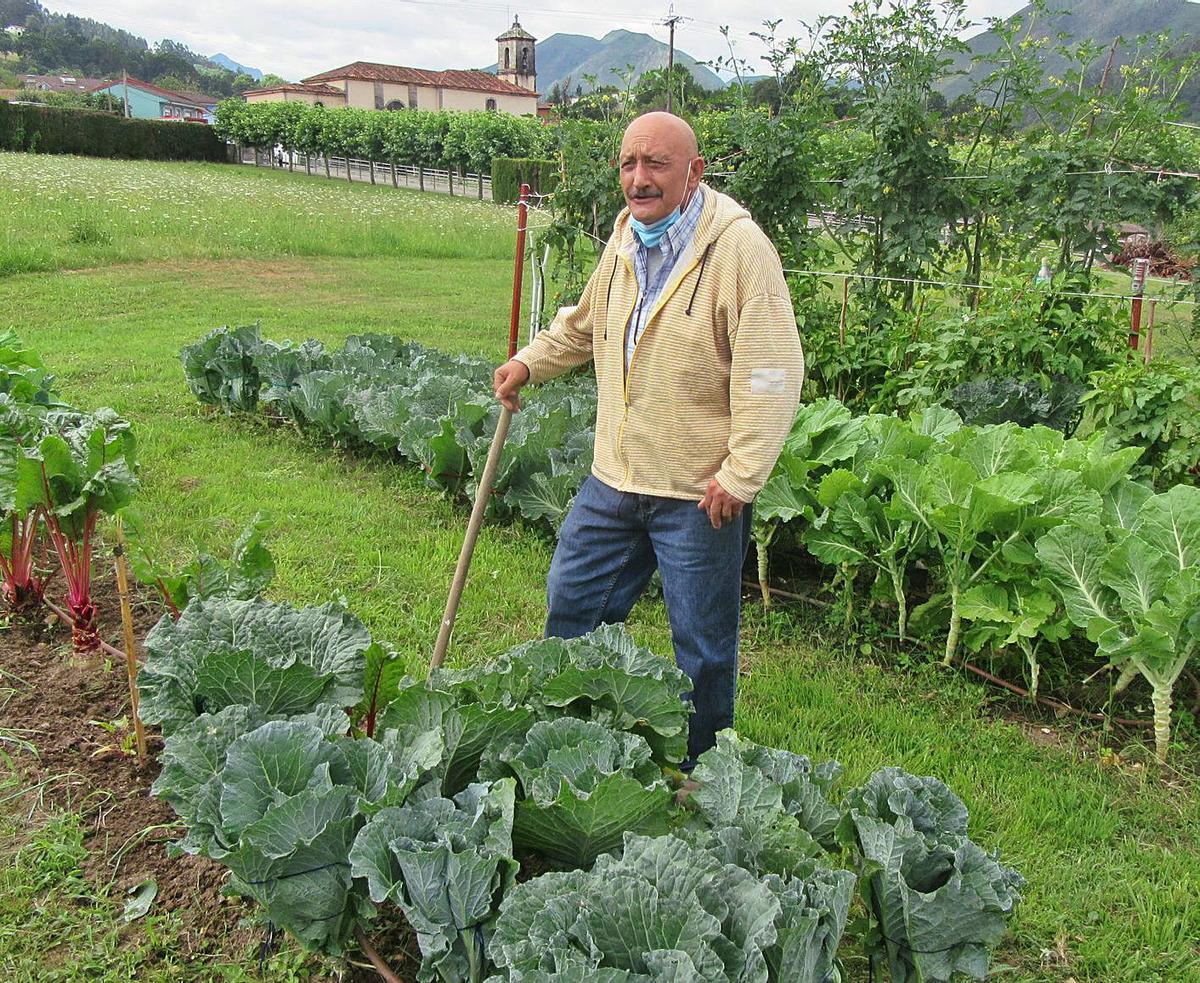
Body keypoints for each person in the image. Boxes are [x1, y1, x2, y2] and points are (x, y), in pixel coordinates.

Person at [493, 111, 803, 768]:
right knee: (572, 604)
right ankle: (564, 743)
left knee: (703, 646)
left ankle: (703, 772)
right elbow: (584, 326)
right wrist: (529, 362)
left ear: (694, 172)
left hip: (697, 492)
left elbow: (772, 369)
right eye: (629, 164)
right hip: (616, 478)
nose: (639, 178)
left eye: (656, 163)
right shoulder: (627, 241)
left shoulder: (739, 251)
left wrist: (742, 474)